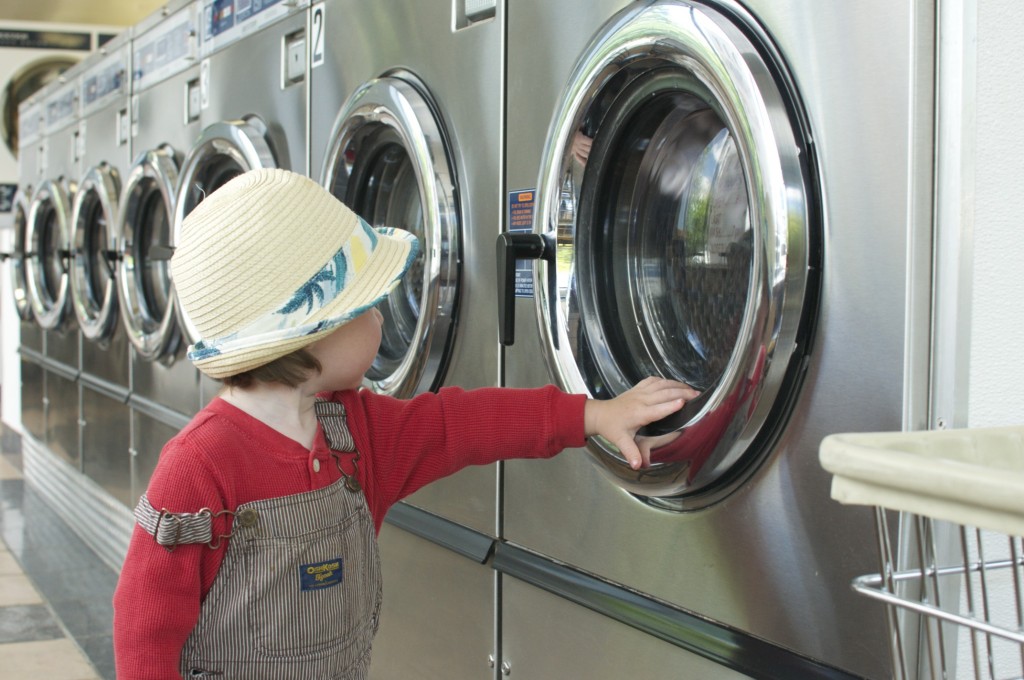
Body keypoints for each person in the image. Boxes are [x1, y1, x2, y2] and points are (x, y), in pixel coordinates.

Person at [112, 168, 697, 679]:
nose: (380, 318)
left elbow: (462, 424)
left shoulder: (355, 433)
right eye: (365, 306)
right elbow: (144, 631)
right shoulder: (197, 467)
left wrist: (593, 414)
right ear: (312, 332)